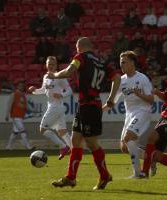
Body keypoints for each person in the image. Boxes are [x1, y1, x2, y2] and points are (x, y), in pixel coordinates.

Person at [49, 37, 121, 190]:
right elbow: (117, 77)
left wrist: (54, 75)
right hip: (87, 105)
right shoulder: (102, 62)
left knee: (91, 143)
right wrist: (111, 97)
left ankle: (105, 175)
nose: (76, 50)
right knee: (75, 140)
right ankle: (71, 178)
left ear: (80, 47)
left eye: (76, 47)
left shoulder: (80, 57)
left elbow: (69, 72)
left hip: (90, 106)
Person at [102, 51, 154, 178]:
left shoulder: (142, 78)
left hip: (142, 112)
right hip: (130, 114)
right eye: (120, 63)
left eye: (124, 62)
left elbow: (151, 100)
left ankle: (138, 173)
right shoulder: (121, 80)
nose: (121, 65)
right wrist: (99, 111)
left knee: (128, 138)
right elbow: (112, 102)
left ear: (132, 63)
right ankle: (151, 158)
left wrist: (139, 94)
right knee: (124, 147)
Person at [28, 56, 72, 160]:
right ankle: (75, 152)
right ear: (46, 65)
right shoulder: (45, 77)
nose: (51, 66)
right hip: (55, 106)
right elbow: (44, 90)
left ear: (56, 65)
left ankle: (63, 147)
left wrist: (61, 95)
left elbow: (69, 90)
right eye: (49, 64)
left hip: (56, 106)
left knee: (42, 129)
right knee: (62, 131)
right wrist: (34, 90)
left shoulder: (59, 76)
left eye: (53, 64)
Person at [5, 80, 32, 150]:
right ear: (17, 86)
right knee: (23, 130)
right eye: (20, 86)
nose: (21, 87)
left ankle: (8, 146)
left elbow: (25, 106)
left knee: (15, 132)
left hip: (20, 116)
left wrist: (31, 112)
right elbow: (9, 105)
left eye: (22, 86)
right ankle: (28, 147)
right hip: (15, 116)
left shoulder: (23, 95)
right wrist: (7, 115)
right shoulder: (14, 94)